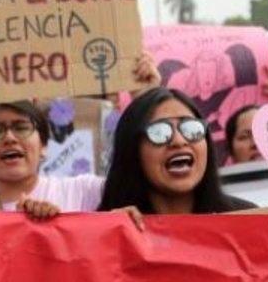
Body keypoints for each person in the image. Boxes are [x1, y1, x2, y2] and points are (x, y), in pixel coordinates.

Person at [0, 52, 161, 213]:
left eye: (21, 128)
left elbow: (148, 181)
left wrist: (147, 98)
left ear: (44, 145)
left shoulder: (83, 192)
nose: (9, 138)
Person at [98, 87, 256, 223]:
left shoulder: (246, 219)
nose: (179, 141)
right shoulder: (109, 230)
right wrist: (109, 237)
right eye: (159, 132)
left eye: (191, 129)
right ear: (132, 150)